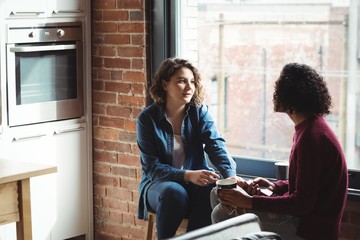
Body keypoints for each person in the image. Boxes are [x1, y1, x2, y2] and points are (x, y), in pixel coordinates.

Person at [212, 63, 348, 240]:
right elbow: (309, 185)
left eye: (278, 87)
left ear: (289, 95)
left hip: (309, 229)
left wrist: (248, 201)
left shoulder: (311, 138)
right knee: (217, 195)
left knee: (221, 213)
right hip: (306, 219)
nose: (274, 93)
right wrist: (275, 186)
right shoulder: (310, 127)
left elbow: (302, 204)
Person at [136, 57, 244, 239]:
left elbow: (215, 145)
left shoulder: (199, 112)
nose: (189, 87)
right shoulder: (147, 119)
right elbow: (152, 168)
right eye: (181, 81)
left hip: (195, 183)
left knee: (210, 191)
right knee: (175, 193)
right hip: (158, 185)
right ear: (164, 84)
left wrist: (230, 176)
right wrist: (187, 175)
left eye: (192, 82)